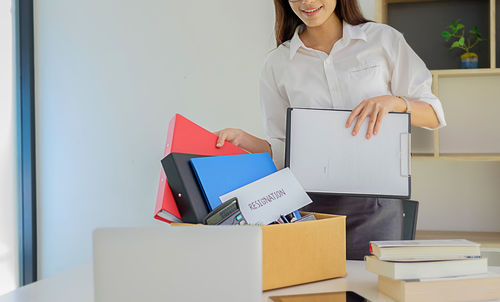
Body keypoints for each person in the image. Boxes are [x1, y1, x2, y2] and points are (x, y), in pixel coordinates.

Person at [215, 0, 446, 259]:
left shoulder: (382, 40)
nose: (307, 2)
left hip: (376, 206)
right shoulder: (277, 63)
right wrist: (243, 139)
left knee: (371, 292)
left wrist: (395, 103)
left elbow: (434, 114)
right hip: (311, 207)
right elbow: (284, 151)